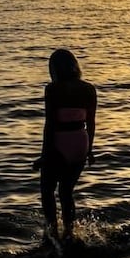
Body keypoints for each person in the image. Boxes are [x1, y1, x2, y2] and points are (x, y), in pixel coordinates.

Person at [34, 49, 97, 241]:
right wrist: (89, 150)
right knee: (66, 192)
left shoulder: (53, 89)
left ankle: (52, 234)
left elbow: (50, 124)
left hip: (60, 141)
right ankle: (69, 233)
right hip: (81, 142)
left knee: (47, 190)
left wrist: (45, 155)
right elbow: (91, 123)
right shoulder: (89, 88)